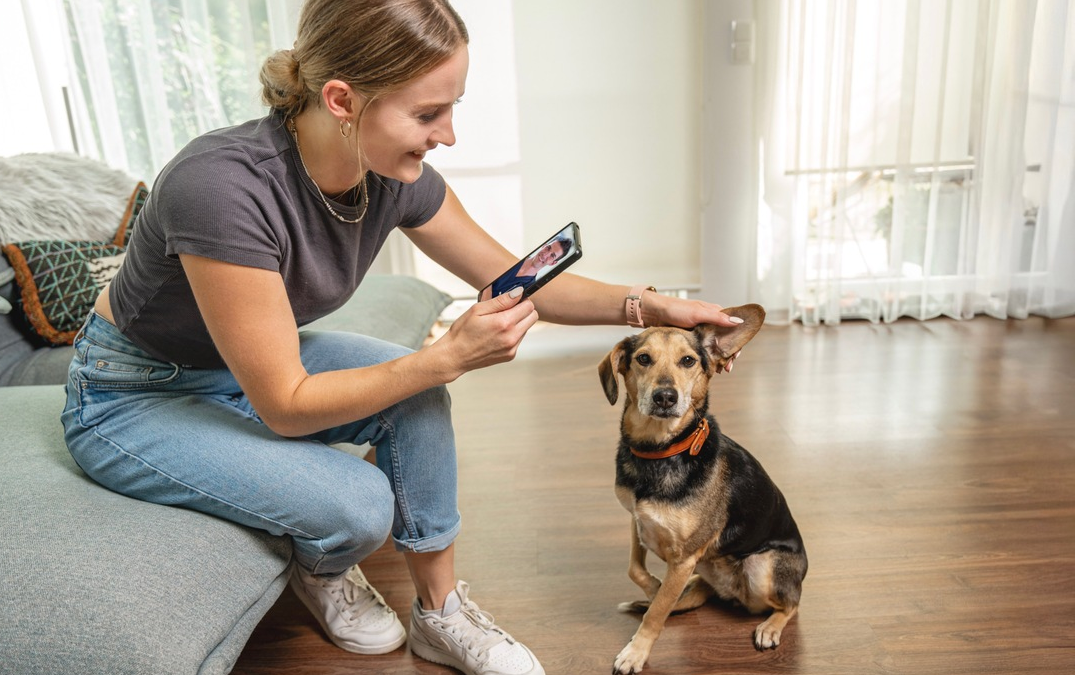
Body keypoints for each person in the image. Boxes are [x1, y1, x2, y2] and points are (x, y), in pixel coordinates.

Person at [60, 2, 743, 674]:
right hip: (135, 395)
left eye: (453, 108)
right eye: (426, 114)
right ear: (341, 100)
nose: (448, 135)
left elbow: (517, 280)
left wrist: (650, 305)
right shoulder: (221, 188)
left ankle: (440, 613)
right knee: (362, 503)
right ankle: (322, 564)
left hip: (243, 369)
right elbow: (285, 405)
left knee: (416, 396)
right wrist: (446, 357)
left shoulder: (388, 174)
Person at [481, 235, 573, 301]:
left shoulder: (528, 287)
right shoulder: (515, 255)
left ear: (553, 263)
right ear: (544, 245)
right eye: (548, 248)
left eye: (552, 256)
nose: (545, 255)